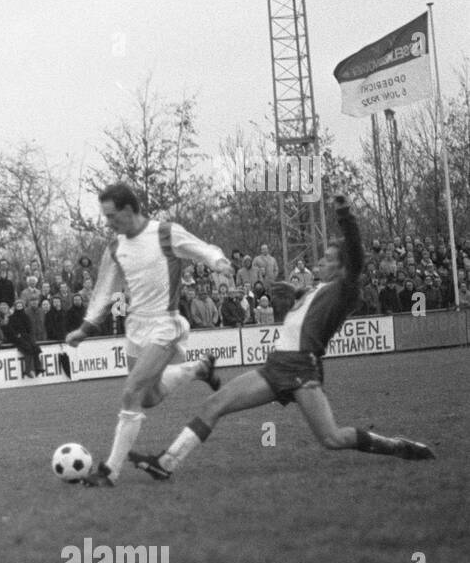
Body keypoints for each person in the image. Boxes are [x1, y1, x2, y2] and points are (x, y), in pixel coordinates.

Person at [128, 196, 434, 479]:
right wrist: (297, 292)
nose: (320, 263)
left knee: (331, 438)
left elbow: (355, 254)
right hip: (276, 367)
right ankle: (166, 463)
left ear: (342, 266)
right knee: (213, 404)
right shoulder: (319, 289)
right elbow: (311, 313)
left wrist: (345, 216)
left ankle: (395, 446)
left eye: (328, 259)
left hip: (301, 369)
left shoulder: (345, 288)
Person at [69, 183, 228, 487]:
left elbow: (201, 248)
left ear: (129, 210)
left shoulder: (165, 232)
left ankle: (109, 472)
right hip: (136, 329)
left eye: (111, 215)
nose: (108, 222)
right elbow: (104, 290)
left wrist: (218, 261)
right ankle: (196, 369)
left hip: (165, 325)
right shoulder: (116, 248)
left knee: (130, 391)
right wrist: (86, 328)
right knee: (149, 398)